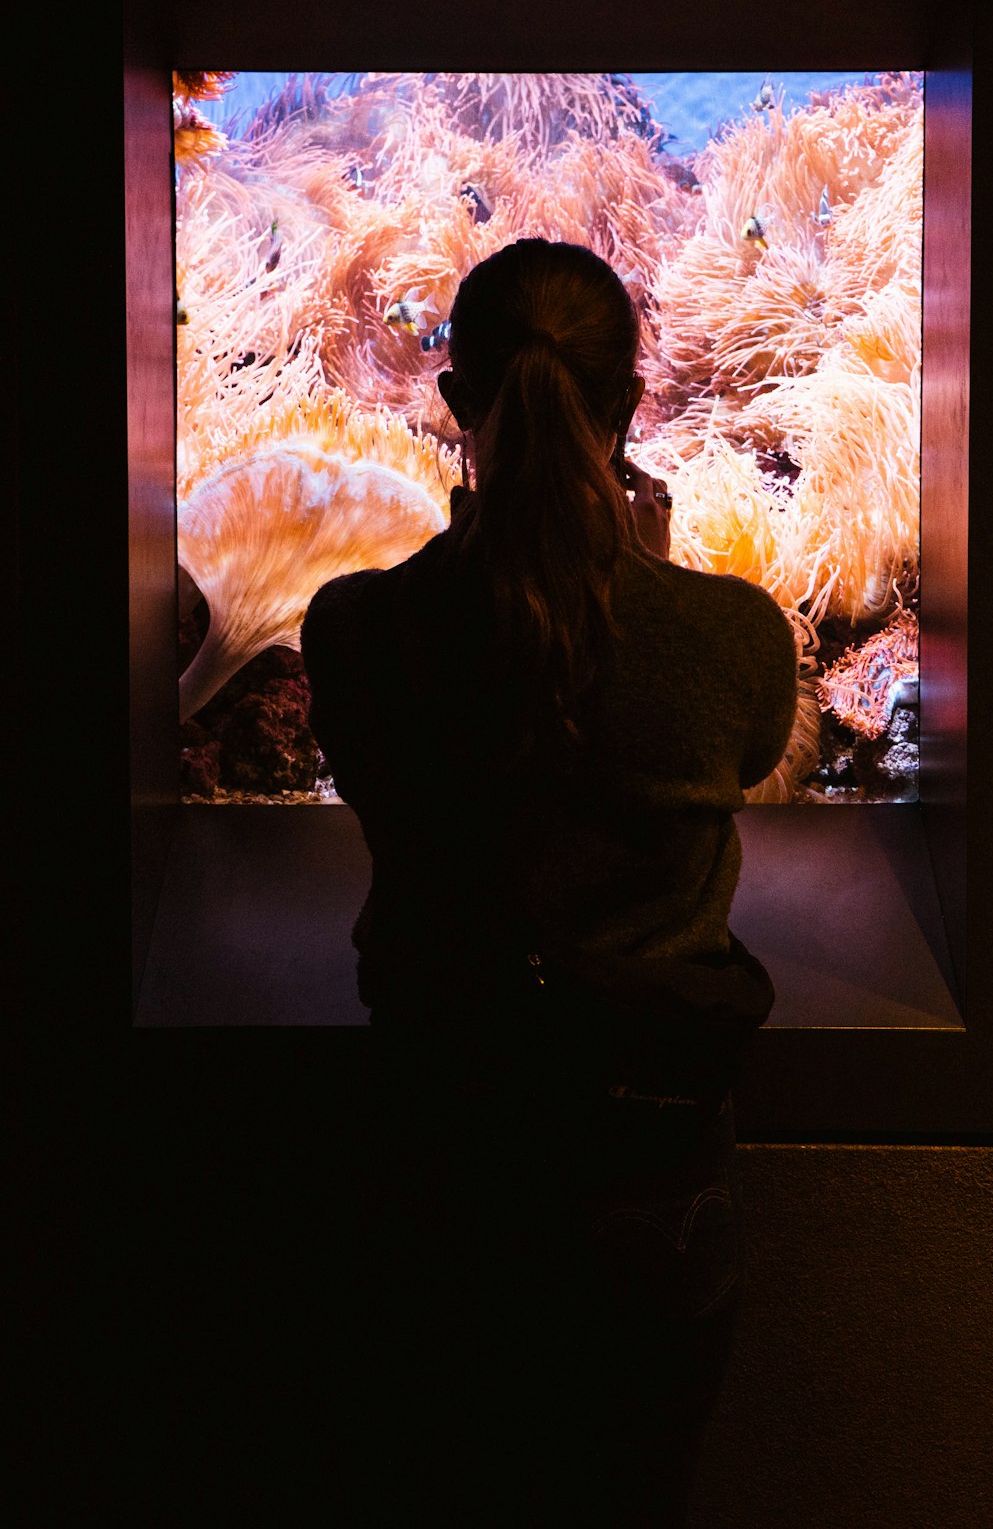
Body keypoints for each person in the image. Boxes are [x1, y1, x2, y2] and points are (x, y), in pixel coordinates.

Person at [300, 237, 797, 1526]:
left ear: (459, 408)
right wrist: (649, 564)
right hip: (649, 1186)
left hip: (437, 1162)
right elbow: (733, 743)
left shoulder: (358, 632)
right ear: (633, 406)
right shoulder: (735, 634)